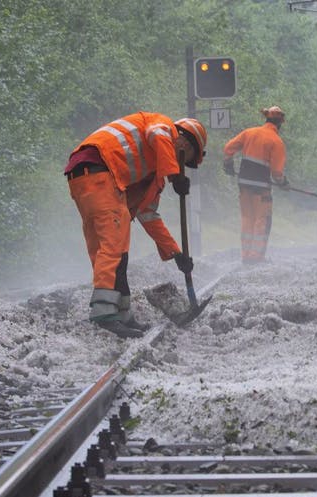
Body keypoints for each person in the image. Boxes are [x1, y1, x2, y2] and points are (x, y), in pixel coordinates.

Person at [65, 113, 206, 338]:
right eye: (187, 157)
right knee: (113, 249)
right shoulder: (164, 127)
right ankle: (104, 314)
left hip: (83, 175)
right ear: (184, 141)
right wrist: (175, 175)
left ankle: (122, 313)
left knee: (108, 248)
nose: (182, 163)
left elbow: (148, 214)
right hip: (98, 170)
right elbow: (157, 135)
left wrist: (176, 253)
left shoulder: (151, 173)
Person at [222, 106, 289, 264]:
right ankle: (256, 257)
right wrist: (283, 183)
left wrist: (228, 165)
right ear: (280, 123)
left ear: (266, 119)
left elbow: (228, 148)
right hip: (261, 188)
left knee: (247, 218)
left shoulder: (249, 133)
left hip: (244, 184)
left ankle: (246, 255)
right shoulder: (276, 141)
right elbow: (277, 173)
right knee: (262, 220)